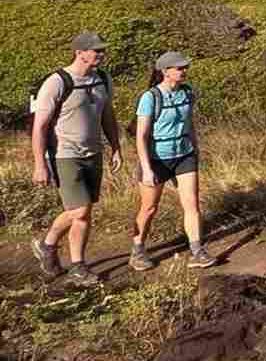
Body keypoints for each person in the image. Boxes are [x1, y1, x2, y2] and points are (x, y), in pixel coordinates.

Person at [28, 33, 123, 288]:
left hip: (93, 153)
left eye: (102, 50)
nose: (101, 54)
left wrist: (116, 147)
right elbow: (40, 127)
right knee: (79, 210)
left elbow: (108, 114)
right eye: (95, 51)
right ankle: (70, 260)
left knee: (84, 211)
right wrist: (40, 164)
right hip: (64, 154)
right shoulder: (57, 82)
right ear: (80, 52)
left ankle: (53, 250)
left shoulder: (103, 79)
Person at [129, 52, 216, 271]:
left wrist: (195, 149)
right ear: (165, 71)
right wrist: (147, 169)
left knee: (192, 204)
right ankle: (138, 250)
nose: (183, 70)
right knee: (149, 208)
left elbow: (189, 123)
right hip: (157, 159)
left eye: (185, 67)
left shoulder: (187, 92)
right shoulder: (150, 97)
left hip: (184, 155)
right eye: (178, 68)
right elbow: (141, 136)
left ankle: (197, 251)